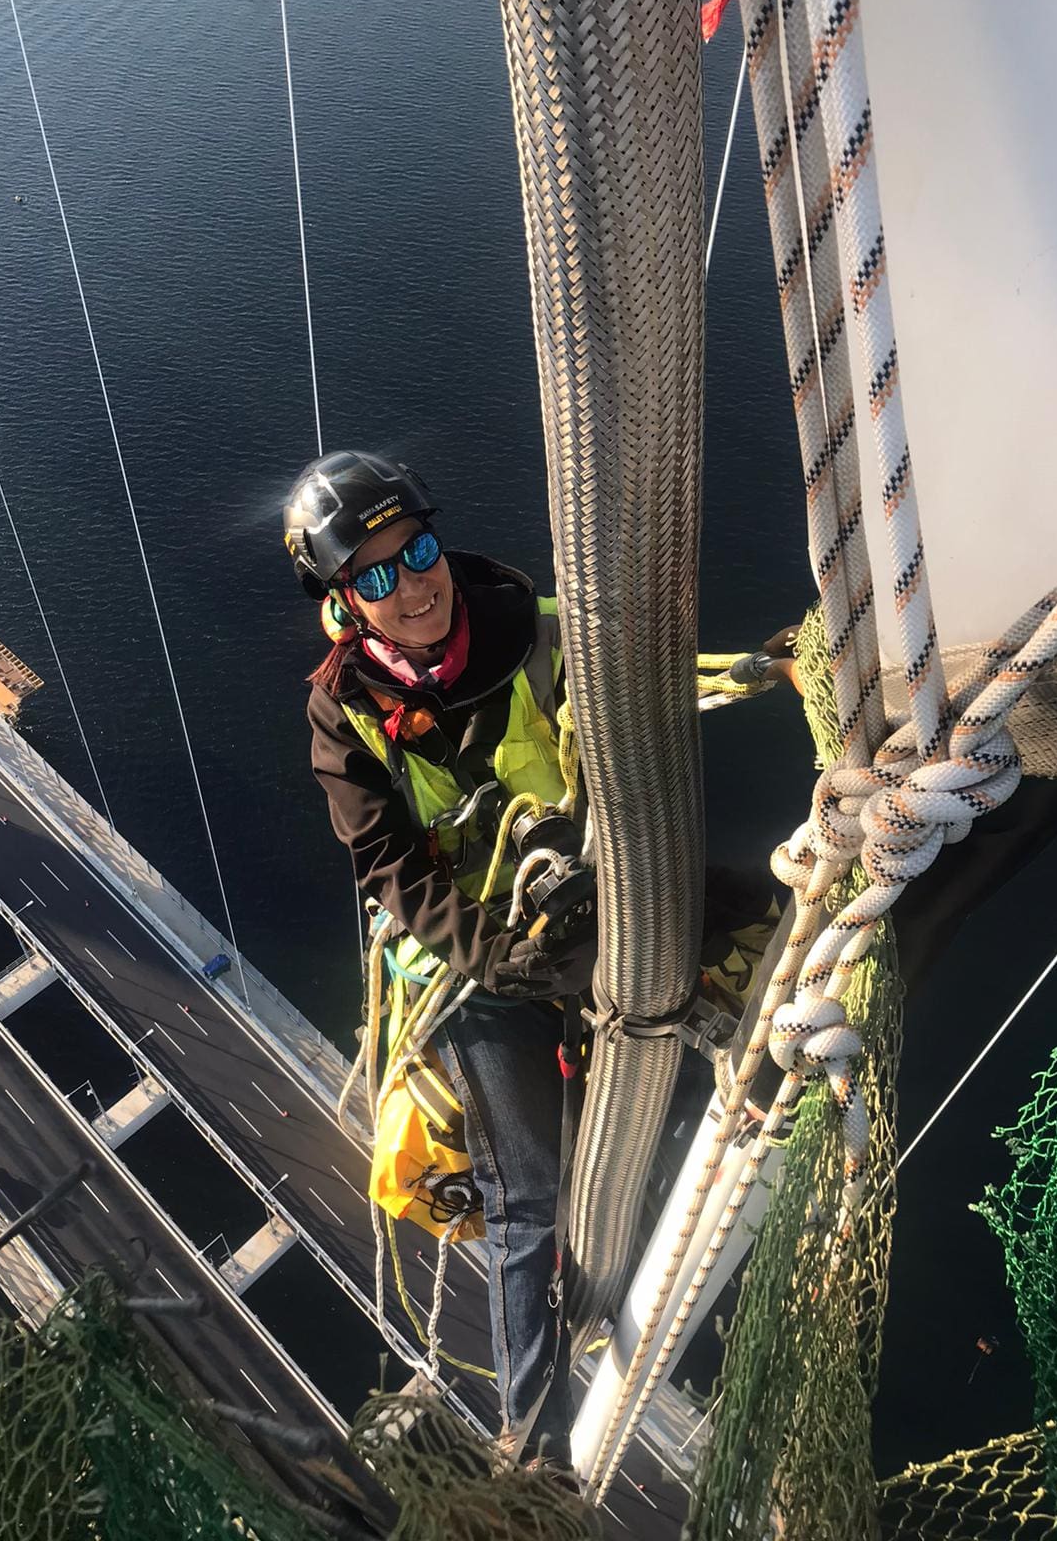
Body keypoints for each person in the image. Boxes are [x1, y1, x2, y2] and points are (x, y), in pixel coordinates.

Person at [284, 449, 594, 1469]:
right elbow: (387, 865)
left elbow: (638, 692)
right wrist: (499, 957)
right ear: (343, 602)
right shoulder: (344, 709)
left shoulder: (532, 626)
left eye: (416, 551)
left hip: (590, 894)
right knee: (528, 1195)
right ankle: (531, 1438)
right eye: (373, 575)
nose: (411, 585)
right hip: (472, 957)